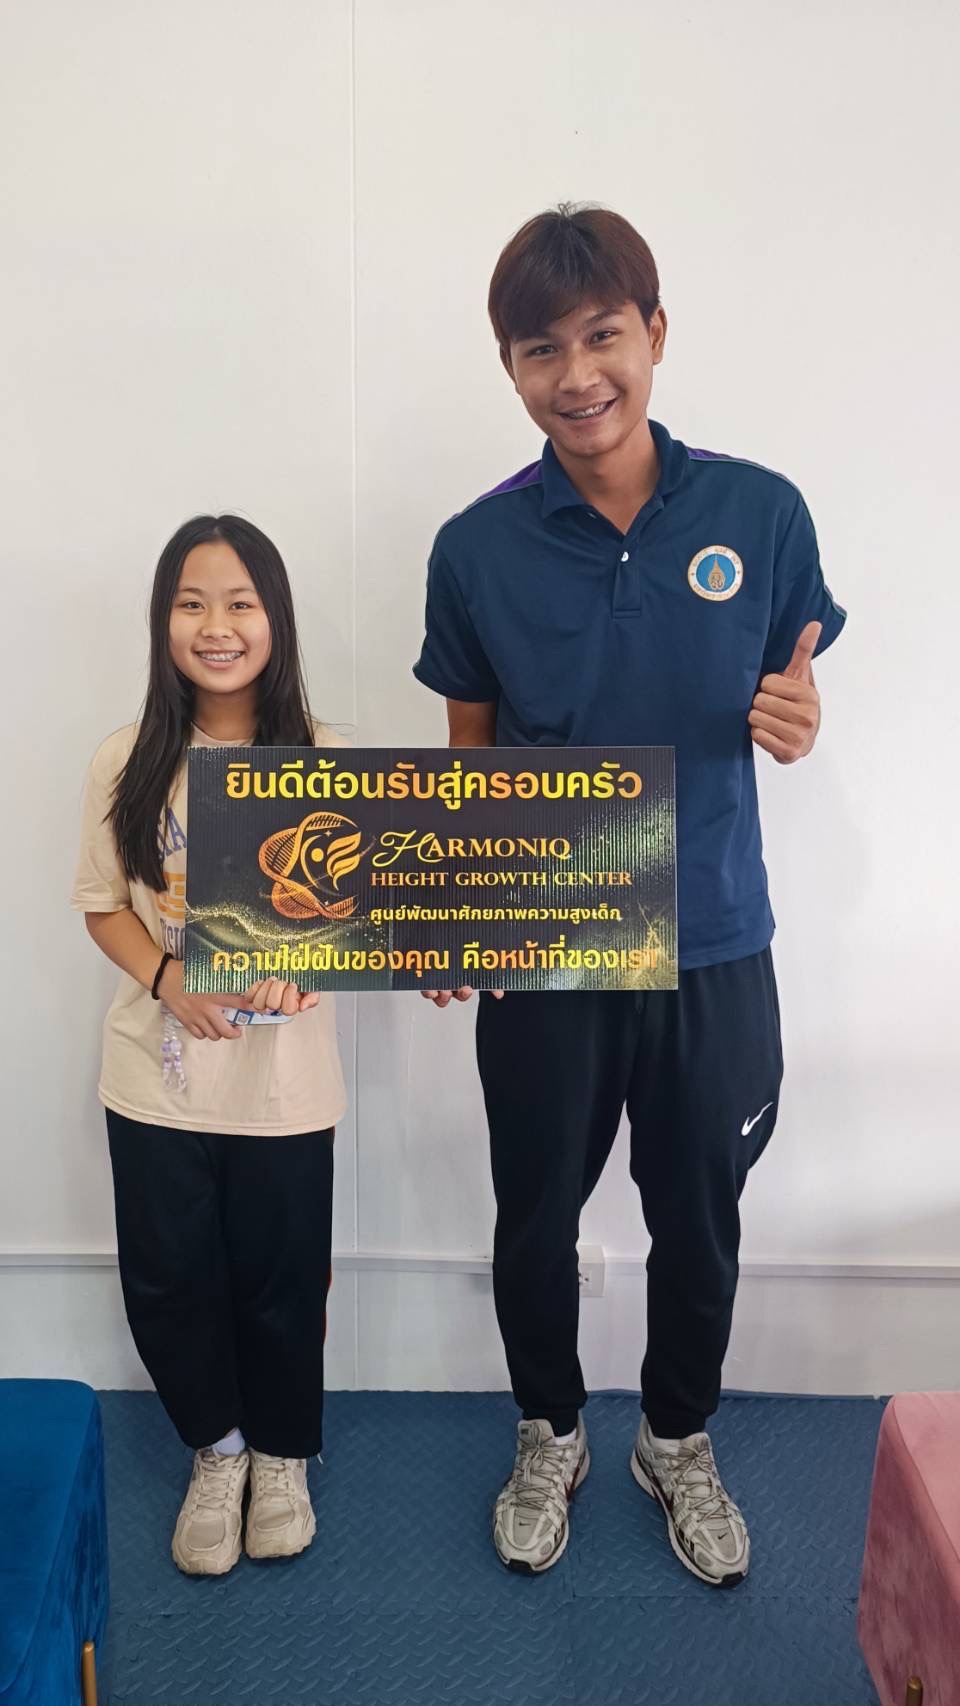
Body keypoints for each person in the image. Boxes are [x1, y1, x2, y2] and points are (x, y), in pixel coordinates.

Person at [413, 204, 845, 1585]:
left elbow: (793, 675)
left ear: (654, 333)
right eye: (541, 349)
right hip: (549, 935)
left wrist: (800, 716)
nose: (577, 373)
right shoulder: (475, 546)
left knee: (700, 1217)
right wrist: (458, 904)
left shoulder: (760, 512)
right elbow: (469, 750)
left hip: (714, 935)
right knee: (533, 1214)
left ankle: (675, 1434)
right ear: (510, 367)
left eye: (603, 334)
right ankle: (550, 1429)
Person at [72, 515, 347, 1576]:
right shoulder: (125, 758)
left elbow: (356, 922)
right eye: (192, 603)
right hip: (156, 1076)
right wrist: (168, 978)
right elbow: (103, 905)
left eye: (240, 603)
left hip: (282, 1084)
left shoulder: (324, 757)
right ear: (163, 621)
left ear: (276, 619)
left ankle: (281, 1455)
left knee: (283, 1279)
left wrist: (311, 965)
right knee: (169, 1278)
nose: (216, 626)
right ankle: (219, 1450)